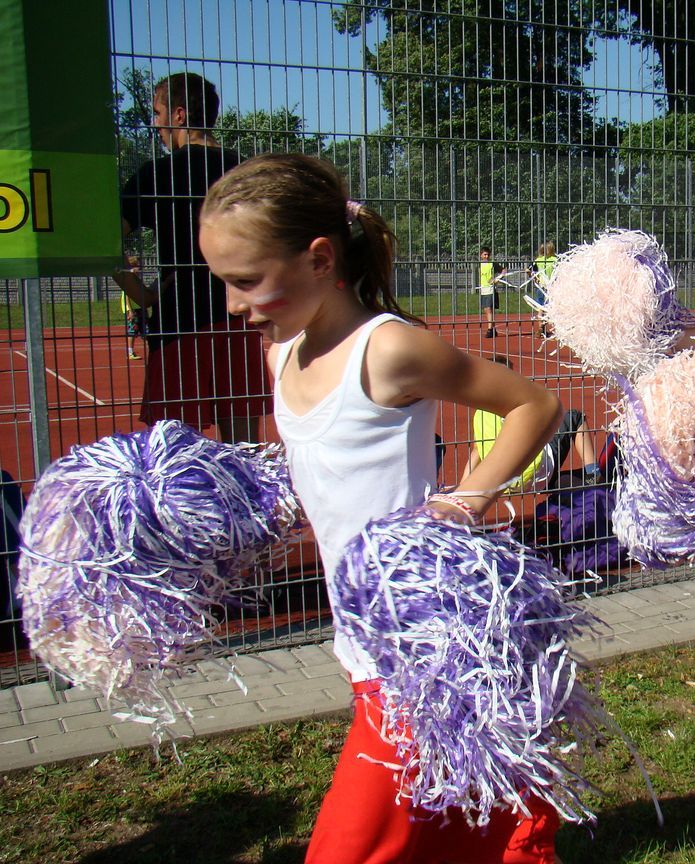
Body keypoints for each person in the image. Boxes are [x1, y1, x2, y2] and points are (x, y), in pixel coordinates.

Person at [199, 153, 566, 864]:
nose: (233, 305)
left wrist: (465, 500)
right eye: (224, 283)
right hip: (357, 637)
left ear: (318, 257)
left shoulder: (388, 349)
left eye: (245, 280)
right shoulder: (281, 351)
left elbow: (535, 404)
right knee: (453, 821)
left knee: (347, 851)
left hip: (417, 646)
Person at [117, 72, 269, 443]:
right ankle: (246, 501)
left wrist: (143, 294)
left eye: (157, 113)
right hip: (238, 318)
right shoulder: (247, 174)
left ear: (179, 115)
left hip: (179, 322)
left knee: (175, 450)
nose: (155, 124)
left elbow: (105, 245)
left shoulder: (157, 174)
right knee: (244, 446)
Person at [462, 356, 601, 494]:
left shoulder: (480, 412)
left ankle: (556, 482)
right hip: (532, 472)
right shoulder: (512, 403)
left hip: (502, 484)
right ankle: (594, 474)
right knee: (573, 417)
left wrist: (462, 486)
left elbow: (476, 451)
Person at [532, 241, 558, 337]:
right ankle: (555, 328)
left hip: (541, 286)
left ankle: (540, 327)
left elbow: (530, 271)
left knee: (540, 307)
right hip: (552, 286)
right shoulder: (555, 260)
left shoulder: (538, 260)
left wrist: (536, 279)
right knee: (552, 307)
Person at [478, 245, 500, 338]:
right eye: (484, 254)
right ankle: (493, 329)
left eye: (488, 255)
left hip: (491, 289)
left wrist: (496, 279)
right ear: (481, 255)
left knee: (489, 309)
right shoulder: (480, 265)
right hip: (483, 289)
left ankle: (490, 330)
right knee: (486, 310)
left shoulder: (492, 264)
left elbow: (503, 270)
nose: (486, 256)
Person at [120, 287, 146, 360]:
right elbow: (127, 296)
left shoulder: (136, 279)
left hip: (139, 308)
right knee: (132, 330)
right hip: (132, 309)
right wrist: (130, 311)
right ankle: (130, 352)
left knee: (145, 330)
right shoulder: (129, 279)